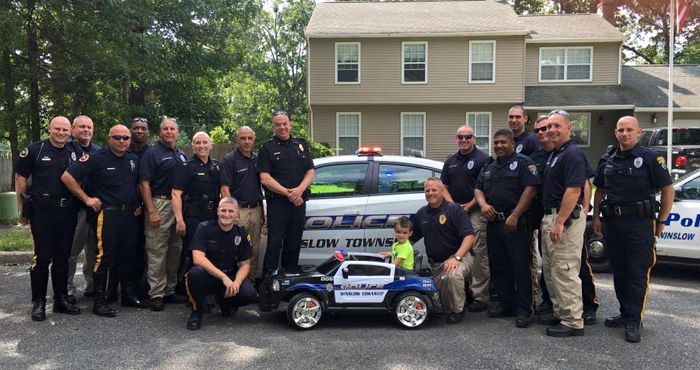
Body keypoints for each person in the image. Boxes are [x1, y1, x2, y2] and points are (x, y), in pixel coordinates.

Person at [592, 116, 674, 343]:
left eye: (629, 130)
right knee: (619, 271)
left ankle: (633, 320)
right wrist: (596, 217)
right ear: (615, 133)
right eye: (620, 130)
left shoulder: (650, 158)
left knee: (637, 272)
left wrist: (662, 219)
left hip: (640, 224)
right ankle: (624, 311)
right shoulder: (607, 159)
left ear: (638, 132)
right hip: (614, 224)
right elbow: (600, 190)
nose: (625, 133)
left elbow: (668, 189)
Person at [61, 125, 149, 316]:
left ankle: (128, 295)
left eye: (126, 138)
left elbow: (137, 186)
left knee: (128, 256)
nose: (122, 141)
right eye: (117, 137)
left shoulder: (133, 160)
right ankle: (99, 302)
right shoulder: (96, 158)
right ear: (109, 139)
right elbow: (67, 177)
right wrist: (86, 199)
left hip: (129, 216)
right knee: (104, 256)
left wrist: (139, 204)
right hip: (106, 215)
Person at [532, 117, 599, 326]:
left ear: (569, 128)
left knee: (565, 269)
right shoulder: (557, 154)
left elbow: (573, 190)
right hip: (550, 215)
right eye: (549, 126)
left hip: (564, 219)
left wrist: (559, 222)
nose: (551, 130)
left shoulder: (572, 154)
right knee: (552, 269)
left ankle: (572, 321)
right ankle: (560, 311)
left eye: (556, 126)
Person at [14, 116, 81, 321]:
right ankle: (39, 302)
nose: (61, 133)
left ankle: (61, 300)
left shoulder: (75, 152)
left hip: (67, 211)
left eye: (65, 130)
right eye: (57, 129)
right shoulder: (34, 150)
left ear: (70, 131)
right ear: (49, 129)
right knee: (42, 258)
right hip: (42, 211)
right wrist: (22, 210)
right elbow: (20, 179)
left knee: (63, 257)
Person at [474, 129, 539, 327]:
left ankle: (525, 310)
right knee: (499, 265)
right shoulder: (489, 166)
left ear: (512, 143)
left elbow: (531, 189)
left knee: (521, 267)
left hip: (516, 223)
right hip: (494, 222)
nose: (499, 145)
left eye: (503, 142)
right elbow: (478, 188)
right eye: (496, 142)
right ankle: (506, 304)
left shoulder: (523, 163)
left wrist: (516, 215)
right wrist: (483, 205)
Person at [184, 197, 257, 330]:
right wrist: (223, 278)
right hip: (209, 276)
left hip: (229, 275)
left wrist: (236, 283)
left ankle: (225, 303)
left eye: (231, 211)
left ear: (237, 213)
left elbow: (245, 263)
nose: (226, 214)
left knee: (250, 294)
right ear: (217, 211)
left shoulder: (242, 233)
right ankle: (196, 311)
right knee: (195, 274)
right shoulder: (204, 228)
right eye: (223, 210)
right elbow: (198, 258)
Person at [410, 178, 475, 324]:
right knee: (438, 306)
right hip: (437, 265)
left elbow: (470, 237)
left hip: (460, 258)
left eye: (434, 190)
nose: (431, 193)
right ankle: (464, 292)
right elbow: (411, 238)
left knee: (452, 277)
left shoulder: (454, 210)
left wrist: (456, 258)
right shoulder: (422, 214)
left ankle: (458, 310)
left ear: (442, 191)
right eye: (427, 190)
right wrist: (394, 251)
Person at [258, 111, 314, 276]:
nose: (282, 127)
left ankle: (289, 281)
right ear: (273, 127)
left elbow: (310, 171)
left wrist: (299, 190)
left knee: (293, 243)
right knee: (274, 244)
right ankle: (269, 284)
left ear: (290, 124)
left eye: (285, 124)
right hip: (278, 205)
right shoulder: (267, 148)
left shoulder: (301, 145)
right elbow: (265, 178)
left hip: (298, 204)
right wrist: (288, 194)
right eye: (278, 125)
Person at [139, 117, 187, 311]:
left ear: (177, 132)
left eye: (172, 129)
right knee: (157, 250)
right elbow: (144, 184)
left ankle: (169, 290)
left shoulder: (181, 154)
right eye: (165, 129)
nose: (169, 132)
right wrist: (151, 210)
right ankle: (156, 293)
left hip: (178, 206)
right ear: (160, 132)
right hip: (159, 203)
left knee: (175, 250)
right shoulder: (152, 153)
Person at [441, 125, 490, 313]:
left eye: (467, 137)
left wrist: (469, 206)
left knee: (478, 253)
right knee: (458, 250)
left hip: (475, 210)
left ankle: (479, 295)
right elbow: (443, 186)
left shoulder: (483, 159)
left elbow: (484, 187)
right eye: (460, 137)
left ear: (474, 138)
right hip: (455, 211)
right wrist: (453, 205)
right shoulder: (451, 161)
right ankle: (464, 290)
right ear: (456, 139)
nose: (464, 140)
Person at [172, 132, 221, 292]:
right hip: (193, 217)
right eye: (198, 143)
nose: (202, 146)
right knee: (192, 254)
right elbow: (176, 194)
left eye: (205, 142)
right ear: (193, 146)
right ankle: (189, 291)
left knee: (211, 253)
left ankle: (208, 289)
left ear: (210, 145)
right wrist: (180, 220)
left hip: (213, 216)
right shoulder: (186, 167)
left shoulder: (216, 166)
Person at [221, 126, 265, 283]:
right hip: (238, 211)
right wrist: (232, 213)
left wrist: (262, 212)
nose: (246, 142)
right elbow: (225, 189)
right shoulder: (229, 160)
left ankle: (250, 283)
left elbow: (260, 186)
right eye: (243, 138)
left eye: (249, 138)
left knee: (253, 249)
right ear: (236, 140)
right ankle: (233, 283)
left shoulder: (257, 159)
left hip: (256, 210)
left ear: (254, 140)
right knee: (236, 248)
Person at [66, 115, 102, 303]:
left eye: (89, 127)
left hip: (95, 210)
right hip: (74, 209)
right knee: (71, 251)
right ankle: (68, 289)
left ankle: (92, 286)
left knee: (93, 251)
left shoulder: (98, 151)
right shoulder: (65, 149)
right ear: (73, 128)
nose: (86, 130)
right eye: (82, 127)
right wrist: (85, 198)